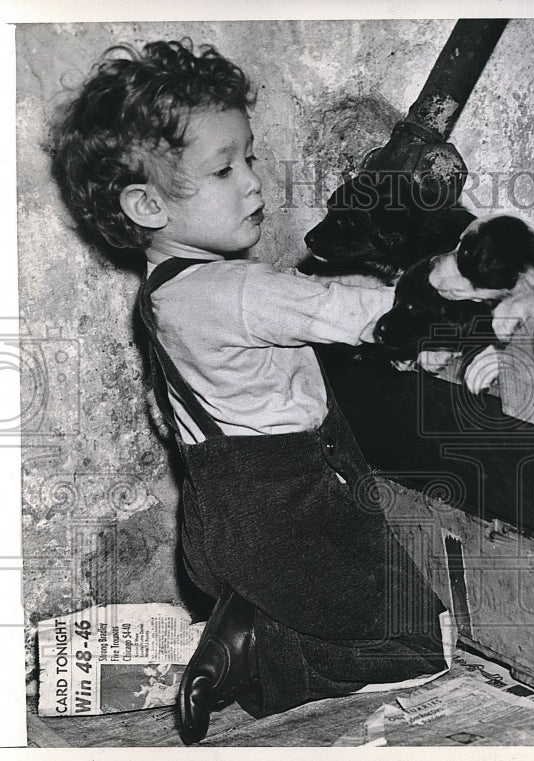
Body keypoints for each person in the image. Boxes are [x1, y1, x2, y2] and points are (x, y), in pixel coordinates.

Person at [50, 38, 450, 744]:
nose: (254, 183)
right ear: (144, 204)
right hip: (288, 504)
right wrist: (447, 299)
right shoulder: (239, 288)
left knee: (337, 612)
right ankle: (257, 639)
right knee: (412, 643)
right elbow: (350, 314)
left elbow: (175, 403)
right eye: (223, 170)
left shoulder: (164, 296)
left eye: (250, 158)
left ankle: (253, 628)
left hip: (226, 509)